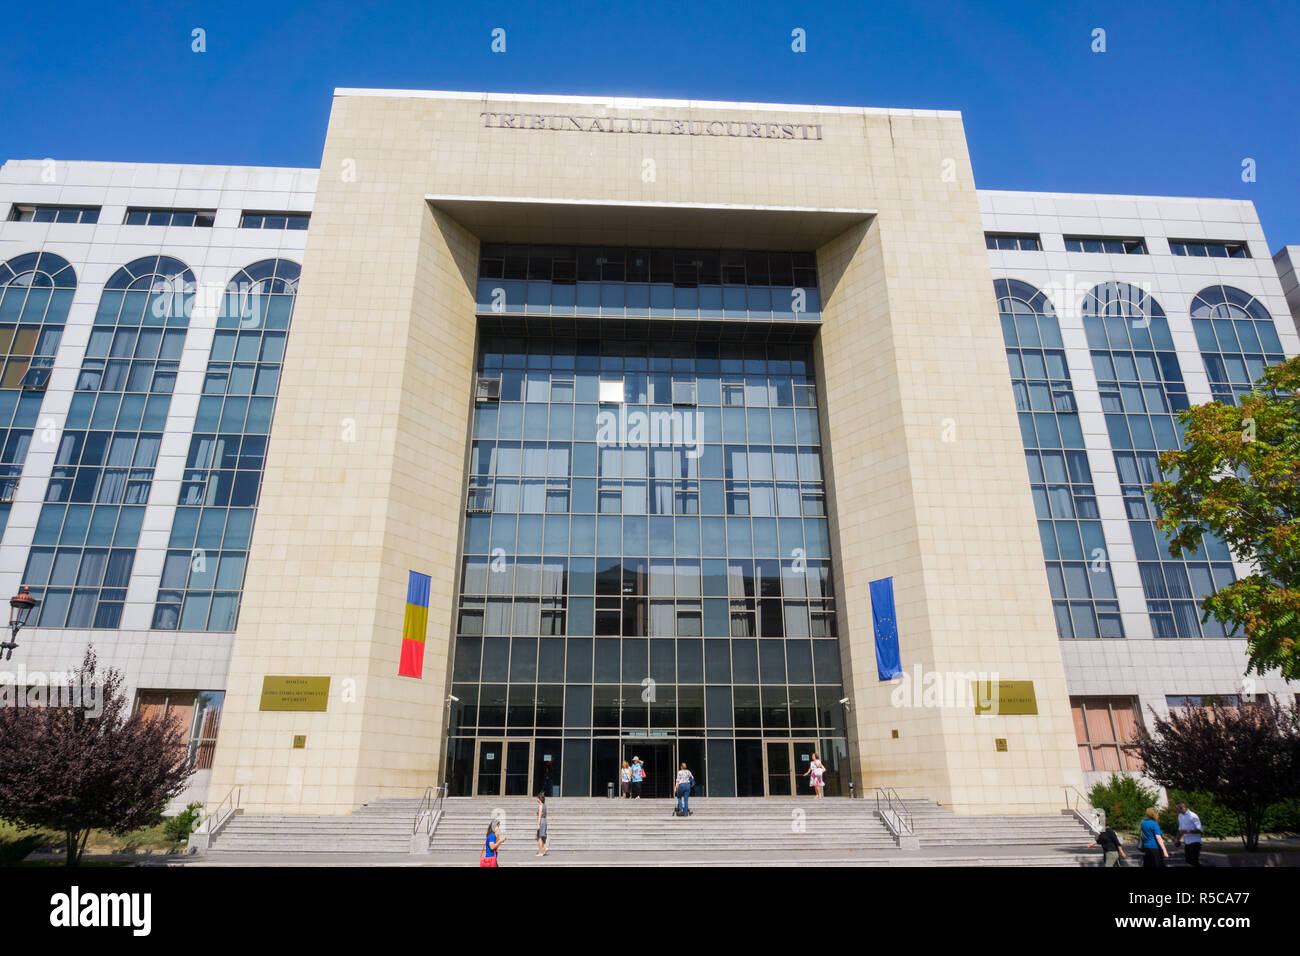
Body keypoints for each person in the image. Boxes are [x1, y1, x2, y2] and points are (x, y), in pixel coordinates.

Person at [1176, 802, 1203, 867]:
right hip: (1187, 842)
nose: (1176, 811)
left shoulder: (1193, 815)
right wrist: (1177, 839)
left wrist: (1187, 831)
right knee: (1188, 860)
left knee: (1194, 861)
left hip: (1195, 841)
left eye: (1177, 809)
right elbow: (1180, 829)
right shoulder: (1180, 816)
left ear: (1182, 808)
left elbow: (1199, 830)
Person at [535, 792, 549, 857]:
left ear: (539, 799)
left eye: (537, 798)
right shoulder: (544, 805)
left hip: (541, 821)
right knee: (537, 837)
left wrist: (538, 824)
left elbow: (540, 815)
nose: (536, 799)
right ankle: (545, 848)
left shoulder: (540, 806)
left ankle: (541, 852)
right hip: (544, 821)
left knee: (539, 837)